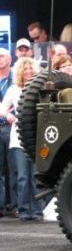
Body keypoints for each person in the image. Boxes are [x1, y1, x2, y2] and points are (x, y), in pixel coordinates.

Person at [0, 57, 43, 221]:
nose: (28, 72)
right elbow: (2, 108)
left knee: (35, 176)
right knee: (23, 176)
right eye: (25, 69)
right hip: (18, 137)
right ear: (20, 72)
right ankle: (24, 210)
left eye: (31, 69)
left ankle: (37, 210)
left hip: (37, 136)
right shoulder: (13, 89)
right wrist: (9, 115)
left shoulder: (40, 88)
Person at [0, 48, 14, 218]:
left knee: (13, 169)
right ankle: (1, 206)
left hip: (11, 127)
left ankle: (14, 205)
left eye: (2, 56)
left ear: (10, 59)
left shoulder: (14, 79)